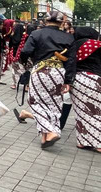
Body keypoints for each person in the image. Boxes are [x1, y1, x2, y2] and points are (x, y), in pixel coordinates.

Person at [20, 11, 75, 148]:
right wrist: (68, 81)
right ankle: (46, 137)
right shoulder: (68, 37)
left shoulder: (37, 34)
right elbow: (71, 61)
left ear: (45, 20)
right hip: (59, 72)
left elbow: (25, 52)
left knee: (34, 101)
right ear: (62, 22)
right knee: (55, 104)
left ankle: (51, 131)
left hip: (40, 70)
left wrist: (27, 64)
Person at [70, 27, 101, 153]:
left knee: (80, 111)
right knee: (96, 112)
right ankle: (98, 143)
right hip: (95, 80)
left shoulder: (73, 45)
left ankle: (82, 141)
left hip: (77, 80)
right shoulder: (98, 45)